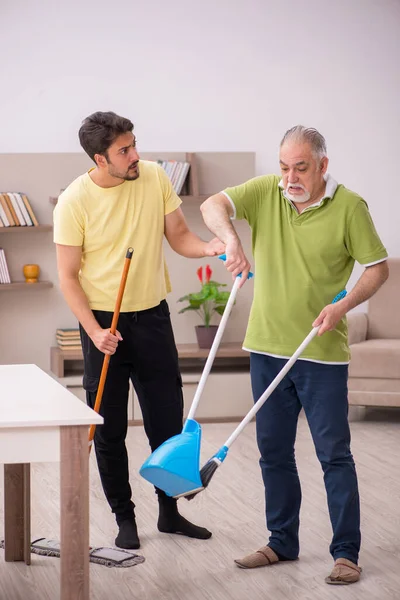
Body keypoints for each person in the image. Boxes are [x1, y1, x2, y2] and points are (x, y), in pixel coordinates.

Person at [200, 125, 389, 584]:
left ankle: (346, 552)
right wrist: (231, 238)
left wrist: (341, 306)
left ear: (323, 165)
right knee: (273, 453)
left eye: (300, 168)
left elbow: (378, 267)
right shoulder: (267, 191)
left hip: (321, 354)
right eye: (284, 167)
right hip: (265, 348)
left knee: (334, 455)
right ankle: (281, 541)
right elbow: (212, 205)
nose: (290, 177)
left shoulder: (350, 207)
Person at [54, 111, 224, 550]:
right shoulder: (74, 200)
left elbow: (180, 234)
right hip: (102, 324)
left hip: (152, 317)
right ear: (99, 159)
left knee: (165, 424)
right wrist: (93, 333)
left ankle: (169, 513)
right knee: (108, 430)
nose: (136, 156)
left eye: (134, 144)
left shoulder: (152, 179)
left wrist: (210, 246)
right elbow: (68, 276)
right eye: (124, 151)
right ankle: (124, 518)